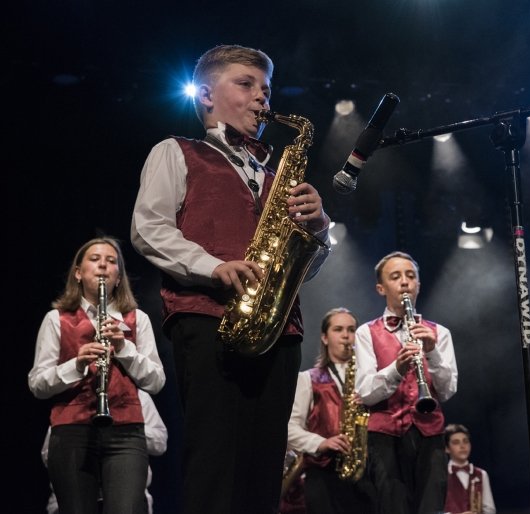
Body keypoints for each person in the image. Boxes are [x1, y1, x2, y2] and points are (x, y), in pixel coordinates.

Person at [130, 43, 330, 514]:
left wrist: (320, 228)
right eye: (246, 84)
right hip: (208, 319)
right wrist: (212, 266)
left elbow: (304, 265)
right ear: (205, 95)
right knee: (215, 463)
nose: (262, 97)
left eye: (266, 89)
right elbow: (148, 227)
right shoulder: (176, 152)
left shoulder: (277, 174)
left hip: (279, 329)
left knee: (265, 468)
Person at [28, 236, 166, 514]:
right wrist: (77, 364)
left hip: (126, 432)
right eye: (94, 259)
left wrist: (123, 348)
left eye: (111, 261)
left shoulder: (137, 319)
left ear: (119, 277)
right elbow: (38, 384)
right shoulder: (56, 319)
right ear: (78, 273)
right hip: (71, 431)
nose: (103, 265)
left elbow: (155, 381)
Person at [354, 251, 458, 514]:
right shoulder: (366, 333)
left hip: (429, 437)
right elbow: (365, 392)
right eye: (395, 277)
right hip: (384, 439)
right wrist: (396, 369)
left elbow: (447, 391)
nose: (404, 282)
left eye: (410, 276)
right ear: (381, 288)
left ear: (418, 285)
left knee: (431, 508)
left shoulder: (440, 333)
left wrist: (432, 352)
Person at [287, 307, 376, 514]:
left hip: (366, 474)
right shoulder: (307, 379)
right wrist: (321, 443)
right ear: (325, 338)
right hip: (323, 475)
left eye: (351, 330)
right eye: (338, 329)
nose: (346, 335)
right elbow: (290, 428)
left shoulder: (371, 380)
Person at [42, 389, 168, 514]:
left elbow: (160, 443)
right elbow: (48, 454)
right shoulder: (72, 395)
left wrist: (127, 426)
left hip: (128, 496)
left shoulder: (136, 395)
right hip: (76, 495)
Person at [443, 423, 496, 514]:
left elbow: (490, 510)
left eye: (466, 441)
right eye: (456, 442)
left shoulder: (481, 474)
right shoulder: (441, 475)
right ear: (447, 448)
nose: (462, 446)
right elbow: (433, 510)